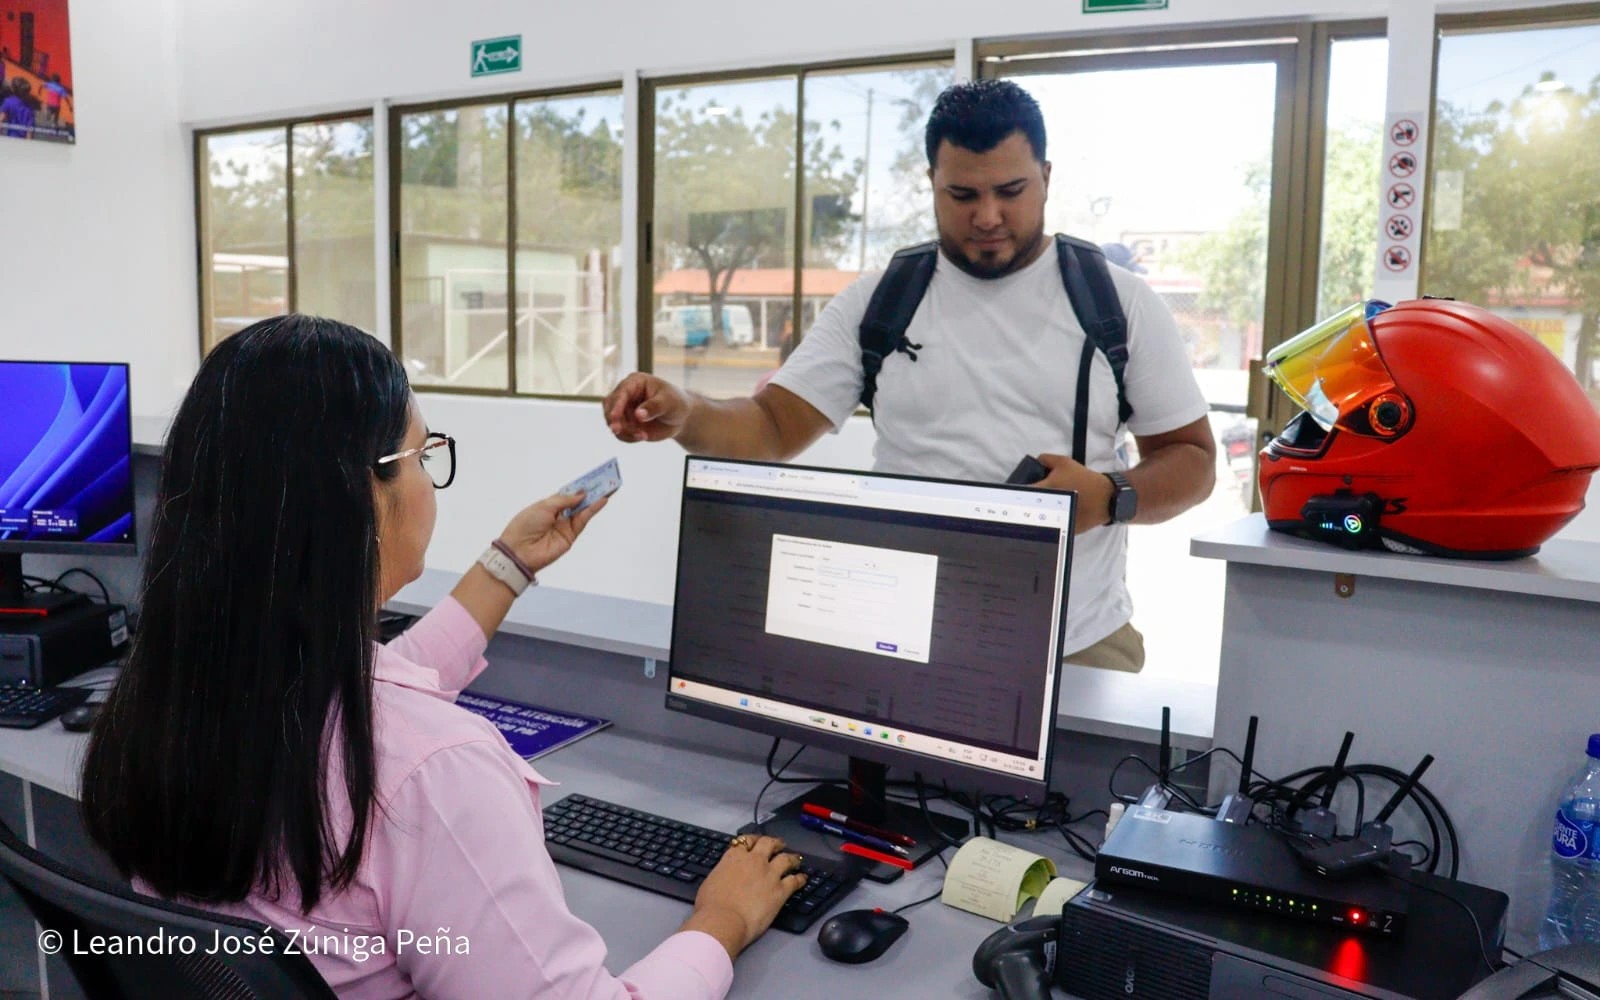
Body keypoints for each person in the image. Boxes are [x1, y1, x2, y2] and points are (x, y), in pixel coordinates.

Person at [80, 315, 805, 998]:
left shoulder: (170, 693)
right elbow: (402, 746)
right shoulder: (435, 773)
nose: (431, 478)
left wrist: (509, 564)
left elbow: (374, 691)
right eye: (423, 455)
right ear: (361, 496)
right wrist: (721, 921)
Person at [603, 80, 1215, 673]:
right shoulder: (881, 301)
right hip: (903, 637)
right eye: (962, 194)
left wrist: (1108, 497)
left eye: (1011, 190)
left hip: (1075, 641)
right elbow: (770, 426)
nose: (988, 216)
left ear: (1047, 178)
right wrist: (687, 412)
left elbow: (1193, 460)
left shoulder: (1117, 302)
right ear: (931, 183)